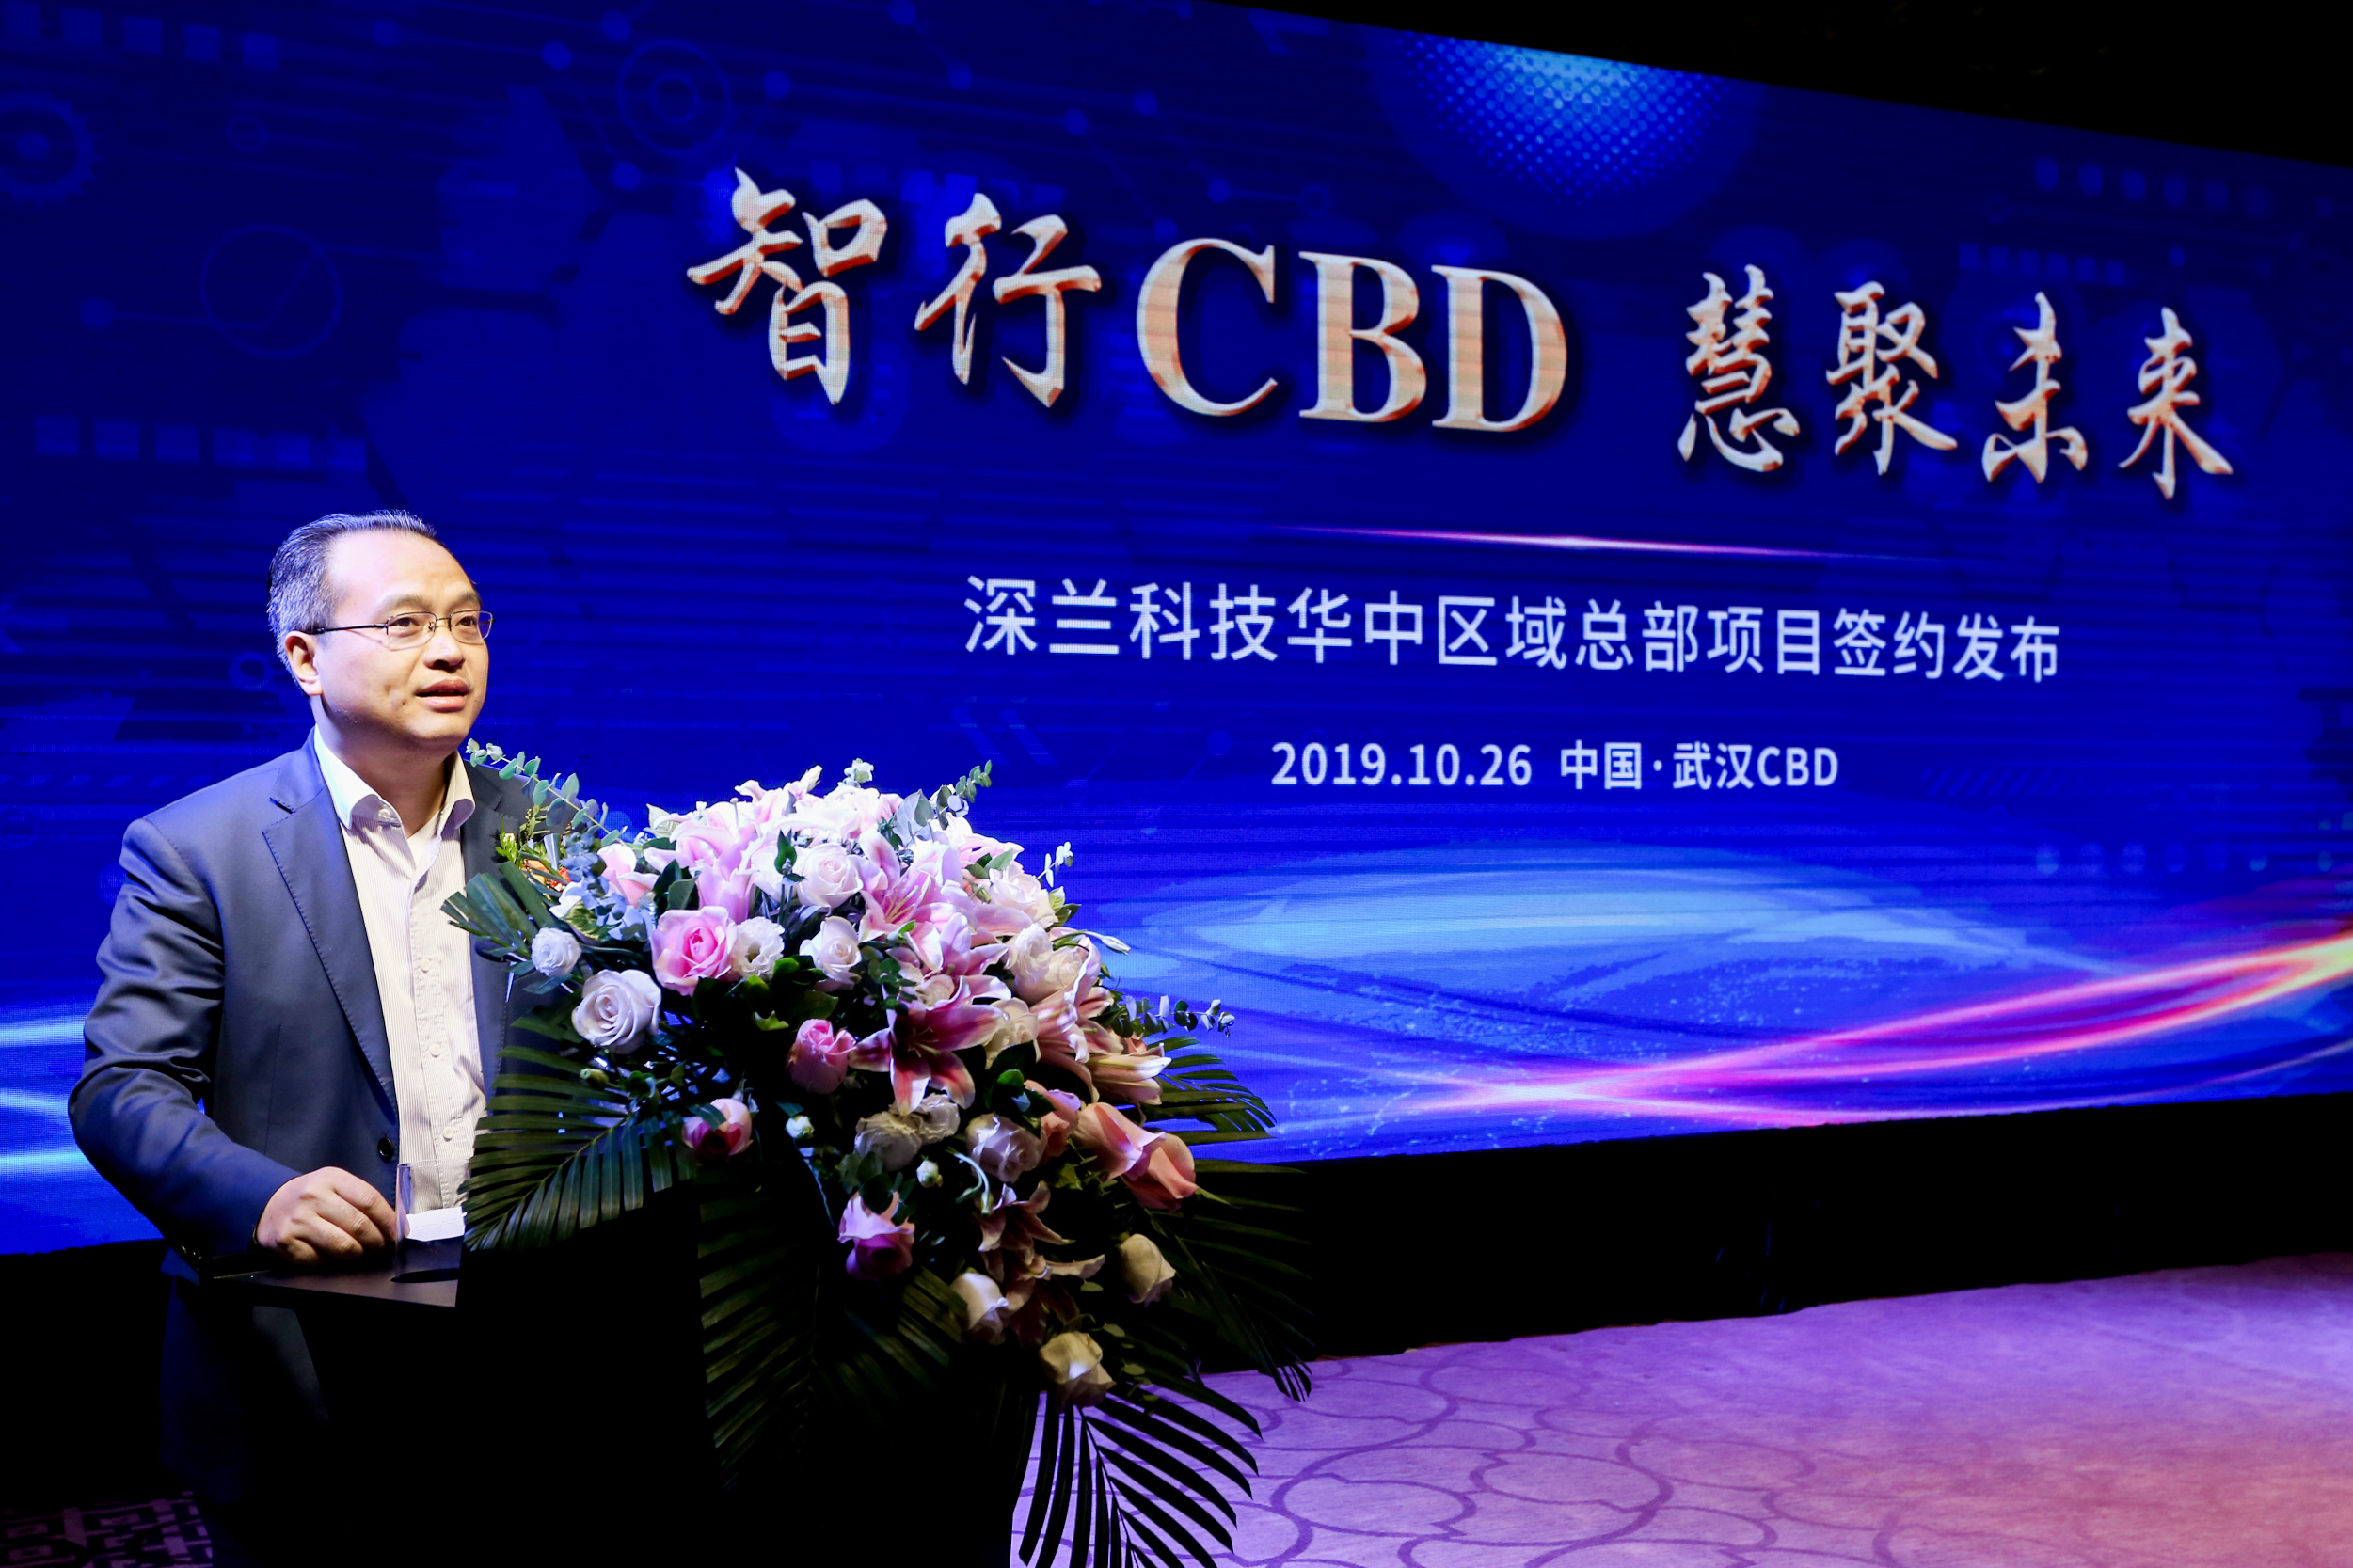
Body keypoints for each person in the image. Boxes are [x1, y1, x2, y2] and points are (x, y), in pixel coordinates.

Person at [72, 511, 530, 1565]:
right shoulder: (197, 848)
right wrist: (260, 1197)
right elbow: (123, 1087)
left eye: (467, 621)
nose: (450, 650)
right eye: (406, 623)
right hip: (304, 1344)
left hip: (524, 1339)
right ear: (305, 657)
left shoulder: (553, 834)